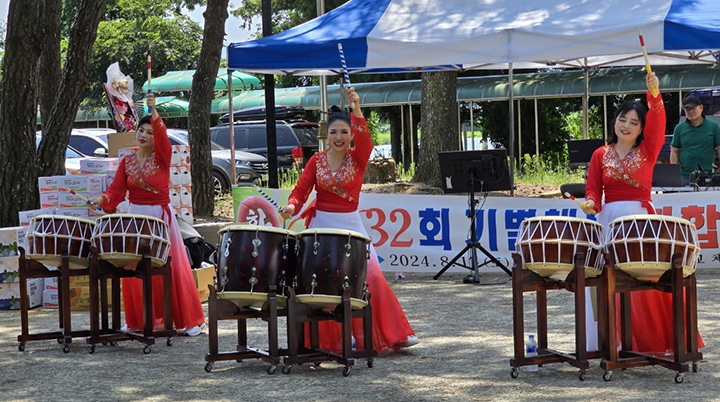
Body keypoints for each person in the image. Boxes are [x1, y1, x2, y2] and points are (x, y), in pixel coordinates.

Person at [280, 87, 418, 353]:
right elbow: (300, 191)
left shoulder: (359, 158)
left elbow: (366, 140)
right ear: (326, 135)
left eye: (344, 132)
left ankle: (391, 334)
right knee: (323, 284)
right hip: (321, 227)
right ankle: (333, 341)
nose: (339, 137)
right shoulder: (316, 161)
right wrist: (292, 206)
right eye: (334, 132)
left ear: (351, 134)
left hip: (351, 227)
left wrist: (356, 107)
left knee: (373, 278)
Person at [581, 72, 703, 354]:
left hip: (639, 223)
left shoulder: (648, 150)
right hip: (609, 224)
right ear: (615, 121)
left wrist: (654, 94)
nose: (626, 125)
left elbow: (658, 120)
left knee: (645, 284)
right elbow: (593, 190)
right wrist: (589, 204)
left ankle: (651, 342)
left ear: (641, 129)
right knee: (607, 282)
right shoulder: (601, 154)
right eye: (622, 119)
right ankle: (613, 342)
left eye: (634, 122)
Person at [89, 93, 206, 336]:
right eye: (141, 131)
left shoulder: (163, 157)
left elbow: (163, 137)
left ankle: (188, 320)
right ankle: (139, 321)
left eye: (150, 132)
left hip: (160, 219)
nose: (144, 135)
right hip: (135, 217)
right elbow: (116, 192)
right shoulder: (127, 162)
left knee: (168, 267)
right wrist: (102, 200)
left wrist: (153, 111)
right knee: (134, 268)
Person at [670, 94, 720, 185]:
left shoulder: (714, 126)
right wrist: (674, 173)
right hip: (684, 176)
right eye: (687, 109)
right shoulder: (679, 128)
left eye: (693, 108)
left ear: (701, 107)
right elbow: (674, 150)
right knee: (683, 199)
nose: (690, 111)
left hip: (707, 176)